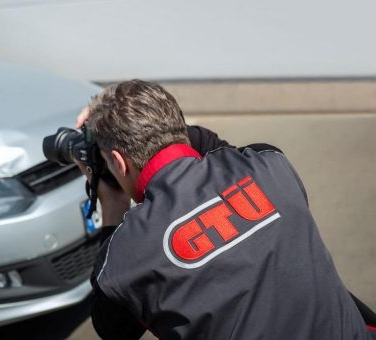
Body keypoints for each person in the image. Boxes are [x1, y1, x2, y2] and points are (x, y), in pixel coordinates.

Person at [75, 79, 374, 339]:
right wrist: (149, 128)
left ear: (118, 162)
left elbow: (113, 330)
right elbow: (209, 145)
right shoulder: (269, 164)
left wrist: (112, 207)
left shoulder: (127, 256)